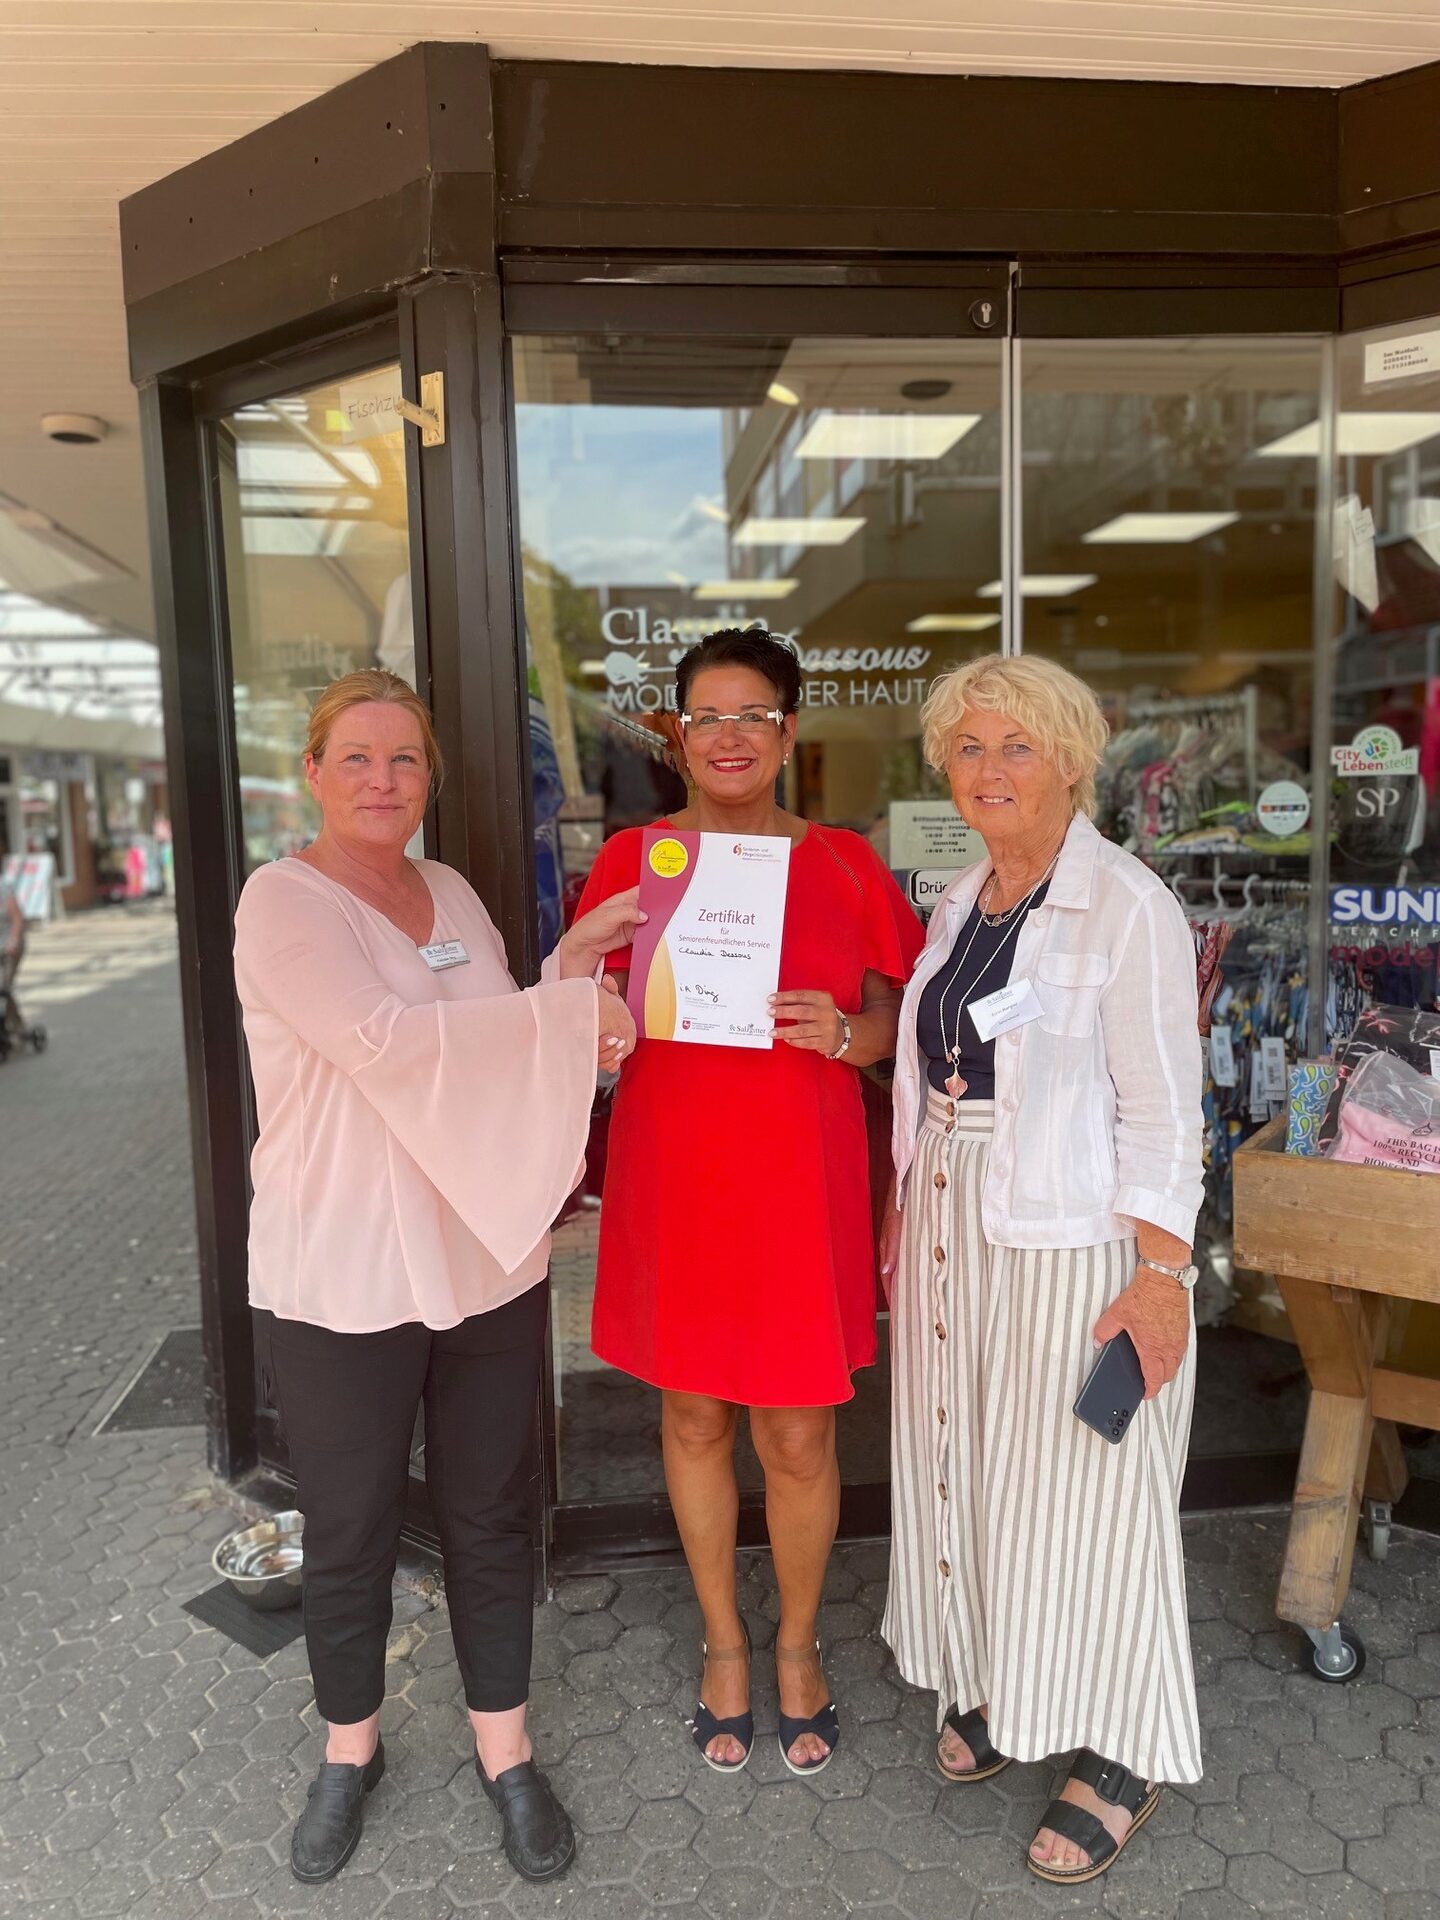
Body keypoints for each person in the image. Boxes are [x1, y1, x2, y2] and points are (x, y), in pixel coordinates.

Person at [232, 669, 639, 1887]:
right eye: (356, 758)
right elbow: (389, 1044)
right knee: (351, 1524)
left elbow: (497, 1047)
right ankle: (348, 1752)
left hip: (483, 1254)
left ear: (431, 778)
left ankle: (505, 1753)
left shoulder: (453, 890)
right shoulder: (282, 902)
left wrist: (565, 979)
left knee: (489, 1512)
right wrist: (565, 1011)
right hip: (344, 1264)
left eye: (404, 758)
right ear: (313, 772)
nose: (382, 780)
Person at [878, 653, 1204, 1886]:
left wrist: (1162, 1276)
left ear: (1071, 759)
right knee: (973, 1467)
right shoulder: (962, 902)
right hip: (954, 1223)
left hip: (1072, 1242)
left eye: (1018, 745)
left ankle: (1123, 1748)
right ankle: (1002, 1680)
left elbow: (1166, 1111)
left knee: (1085, 1496)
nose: (990, 768)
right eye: (968, 747)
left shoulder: (1127, 905)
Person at [575, 628, 923, 1776]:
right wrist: (588, 995)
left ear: (788, 732)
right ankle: (724, 1642)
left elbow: (902, 1016)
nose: (729, 737)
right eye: (707, 717)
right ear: (678, 736)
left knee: (800, 1431)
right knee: (692, 1418)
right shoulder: (633, 861)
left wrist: (852, 1032)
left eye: (753, 716)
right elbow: (580, 1010)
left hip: (798, 1180)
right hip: (677, 1174)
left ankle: (798, 1644)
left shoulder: (845, 864)